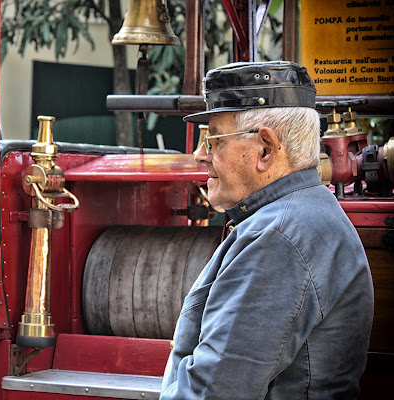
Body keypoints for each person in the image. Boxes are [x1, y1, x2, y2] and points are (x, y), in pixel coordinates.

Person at [160, 61, 374, 399]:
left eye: (213, 139)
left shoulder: (279, 237)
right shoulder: (300, 214)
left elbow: (215, 392)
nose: (199, 155)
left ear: (265, 149)